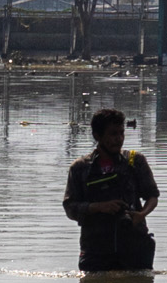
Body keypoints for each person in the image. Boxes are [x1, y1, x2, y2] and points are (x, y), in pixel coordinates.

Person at [64, 108, 161, 271]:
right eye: (113, 134)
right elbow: (70, 208)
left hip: (135, 247)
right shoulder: (80, 168)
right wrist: (99, 207)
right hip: (96, 250)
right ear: (97, 136)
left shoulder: (135, 161)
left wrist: (141, 215)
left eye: (121, 133)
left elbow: (152, 196)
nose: (119, 139)